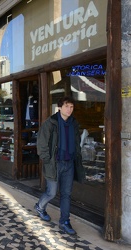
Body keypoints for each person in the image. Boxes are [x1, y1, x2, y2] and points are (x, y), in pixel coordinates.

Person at [35, 96, 85, 235]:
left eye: (72, 107)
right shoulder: (51, 123)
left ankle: (64, 221)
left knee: (66, 194)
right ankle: (39, 207)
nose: (69, 109)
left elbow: (76, 143)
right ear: (60, 108)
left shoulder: (74, 123)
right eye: (67, 106)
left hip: (69, 164)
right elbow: (42, 143)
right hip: (54, 163)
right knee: (51, 192)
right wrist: (47, 160)